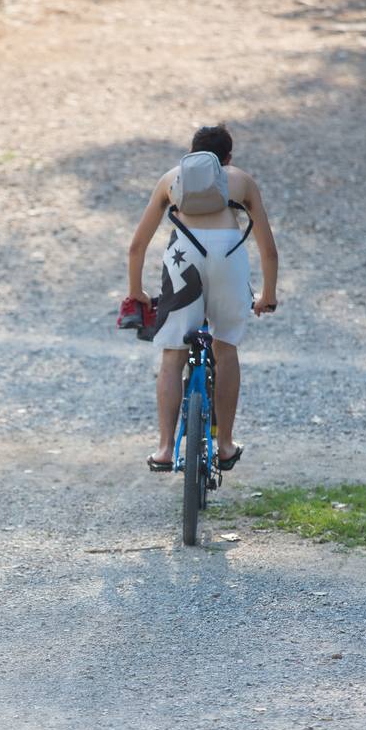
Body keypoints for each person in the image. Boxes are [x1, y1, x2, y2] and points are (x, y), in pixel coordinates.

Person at [126, 124, 278, 472]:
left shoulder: (171, 179)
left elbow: (137, 246)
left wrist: (137, 292)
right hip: (229, 255)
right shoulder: (241, 180)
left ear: (193, 152)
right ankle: (224, 444)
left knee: (172, 356)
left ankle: (165, 449)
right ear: (227, 158)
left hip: (184, 253)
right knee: (225, 349)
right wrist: (267, 295)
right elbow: (269, 250)